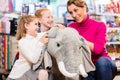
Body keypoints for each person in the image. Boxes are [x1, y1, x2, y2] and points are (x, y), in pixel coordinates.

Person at [65, 0, 117, 80]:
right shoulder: (71, 27)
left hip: (104, 67)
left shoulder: (100, 25)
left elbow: (97, 50)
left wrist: (77, 38)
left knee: (101, 62)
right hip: (85, 68)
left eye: (76, 10)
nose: (74, 15)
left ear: (84, 7)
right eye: (71, 12)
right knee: (86, 72)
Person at [6, 15, 48, 80]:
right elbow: (33, 60)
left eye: (38, 25)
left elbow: (47, 33)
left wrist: (56, 27)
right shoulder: (22, 42)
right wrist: (41, 43)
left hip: (28, 73)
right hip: (17, 76)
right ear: (27, 26)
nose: (38, 27)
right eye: (35, 24)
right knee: (43, 73)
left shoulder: (36, 36)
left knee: (43, 73)